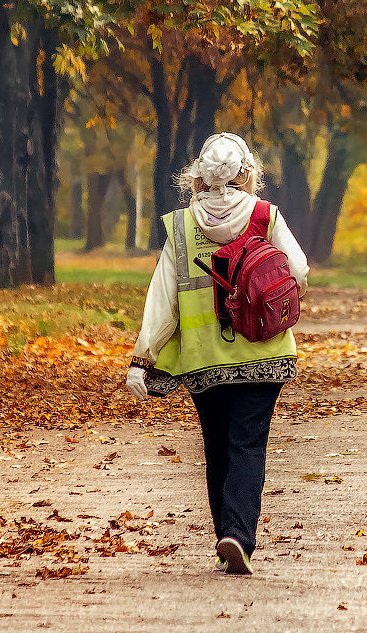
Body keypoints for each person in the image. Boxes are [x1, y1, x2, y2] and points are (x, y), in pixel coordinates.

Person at [126, 132, 308, 575]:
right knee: (249, 444)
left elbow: (162, 299)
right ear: (248, 172)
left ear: (198, 175)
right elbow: (298, 271)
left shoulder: (182, 227)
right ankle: (238, 535)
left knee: (217, 448)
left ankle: (226, 531)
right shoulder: (266, 215)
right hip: (264, 354)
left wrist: (142, 359)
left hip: (204, 360)